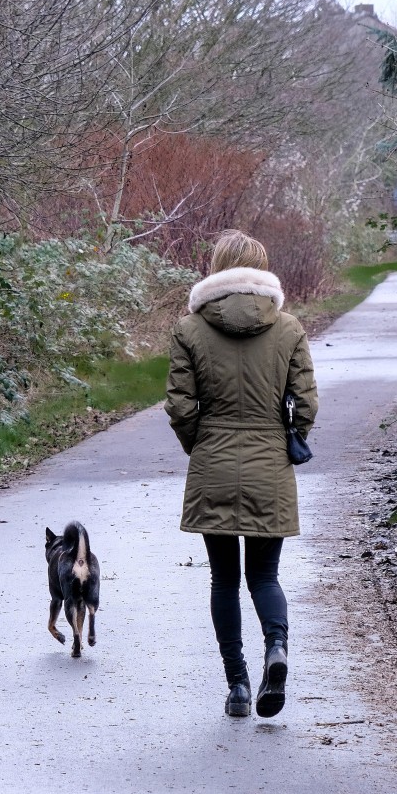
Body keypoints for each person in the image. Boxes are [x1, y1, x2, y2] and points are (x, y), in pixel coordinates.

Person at [164, 229, 318, 718]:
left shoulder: (189, 329)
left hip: (213, 461)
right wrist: (288, 440)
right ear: (262, 269)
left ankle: (237, 686)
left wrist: (201, 445)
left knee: (224, 580)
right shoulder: (289, 328)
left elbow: (180, 405)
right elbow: (307, 402)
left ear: (217, 268)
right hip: (269, 464)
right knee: (265, 576)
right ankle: (276, 647)